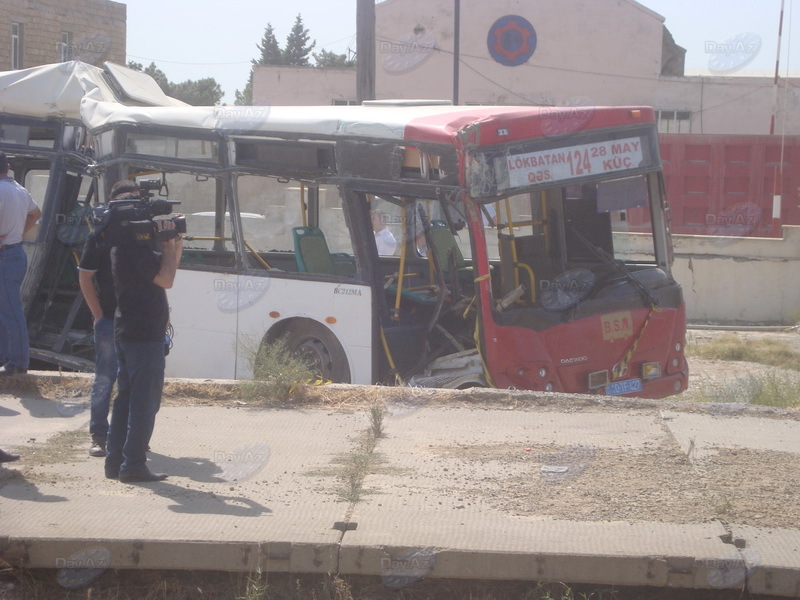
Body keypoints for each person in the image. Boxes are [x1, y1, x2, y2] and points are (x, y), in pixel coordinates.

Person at [104, 211, 183, 483]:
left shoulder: (123, 247)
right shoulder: (136, 250)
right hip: (144, 336)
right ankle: (134, 465)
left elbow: (168, 268)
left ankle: (115, 463)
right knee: (143, 404)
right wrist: (168, 243)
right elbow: (167, 280)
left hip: (129, 333)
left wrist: (174, 241)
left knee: (126, 400)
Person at [78, 180, 140, 457]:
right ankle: (99, 436)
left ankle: (131, 436)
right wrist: (98, 314)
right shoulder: (101, 235)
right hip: (111, 321)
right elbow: (85, 276)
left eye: (137, 202)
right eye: (127, 201)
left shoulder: (144, 235)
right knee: (105, 378)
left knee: (137, 381)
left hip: (139, 319)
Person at [0, 151, 41, 376]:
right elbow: (36, 213)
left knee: (10, 311)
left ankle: (18, 363)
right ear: (7, 167)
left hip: (5, 257)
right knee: (6, 310)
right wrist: (17, 232)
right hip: (15, 253)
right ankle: (6, 357)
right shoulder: (19, 189)